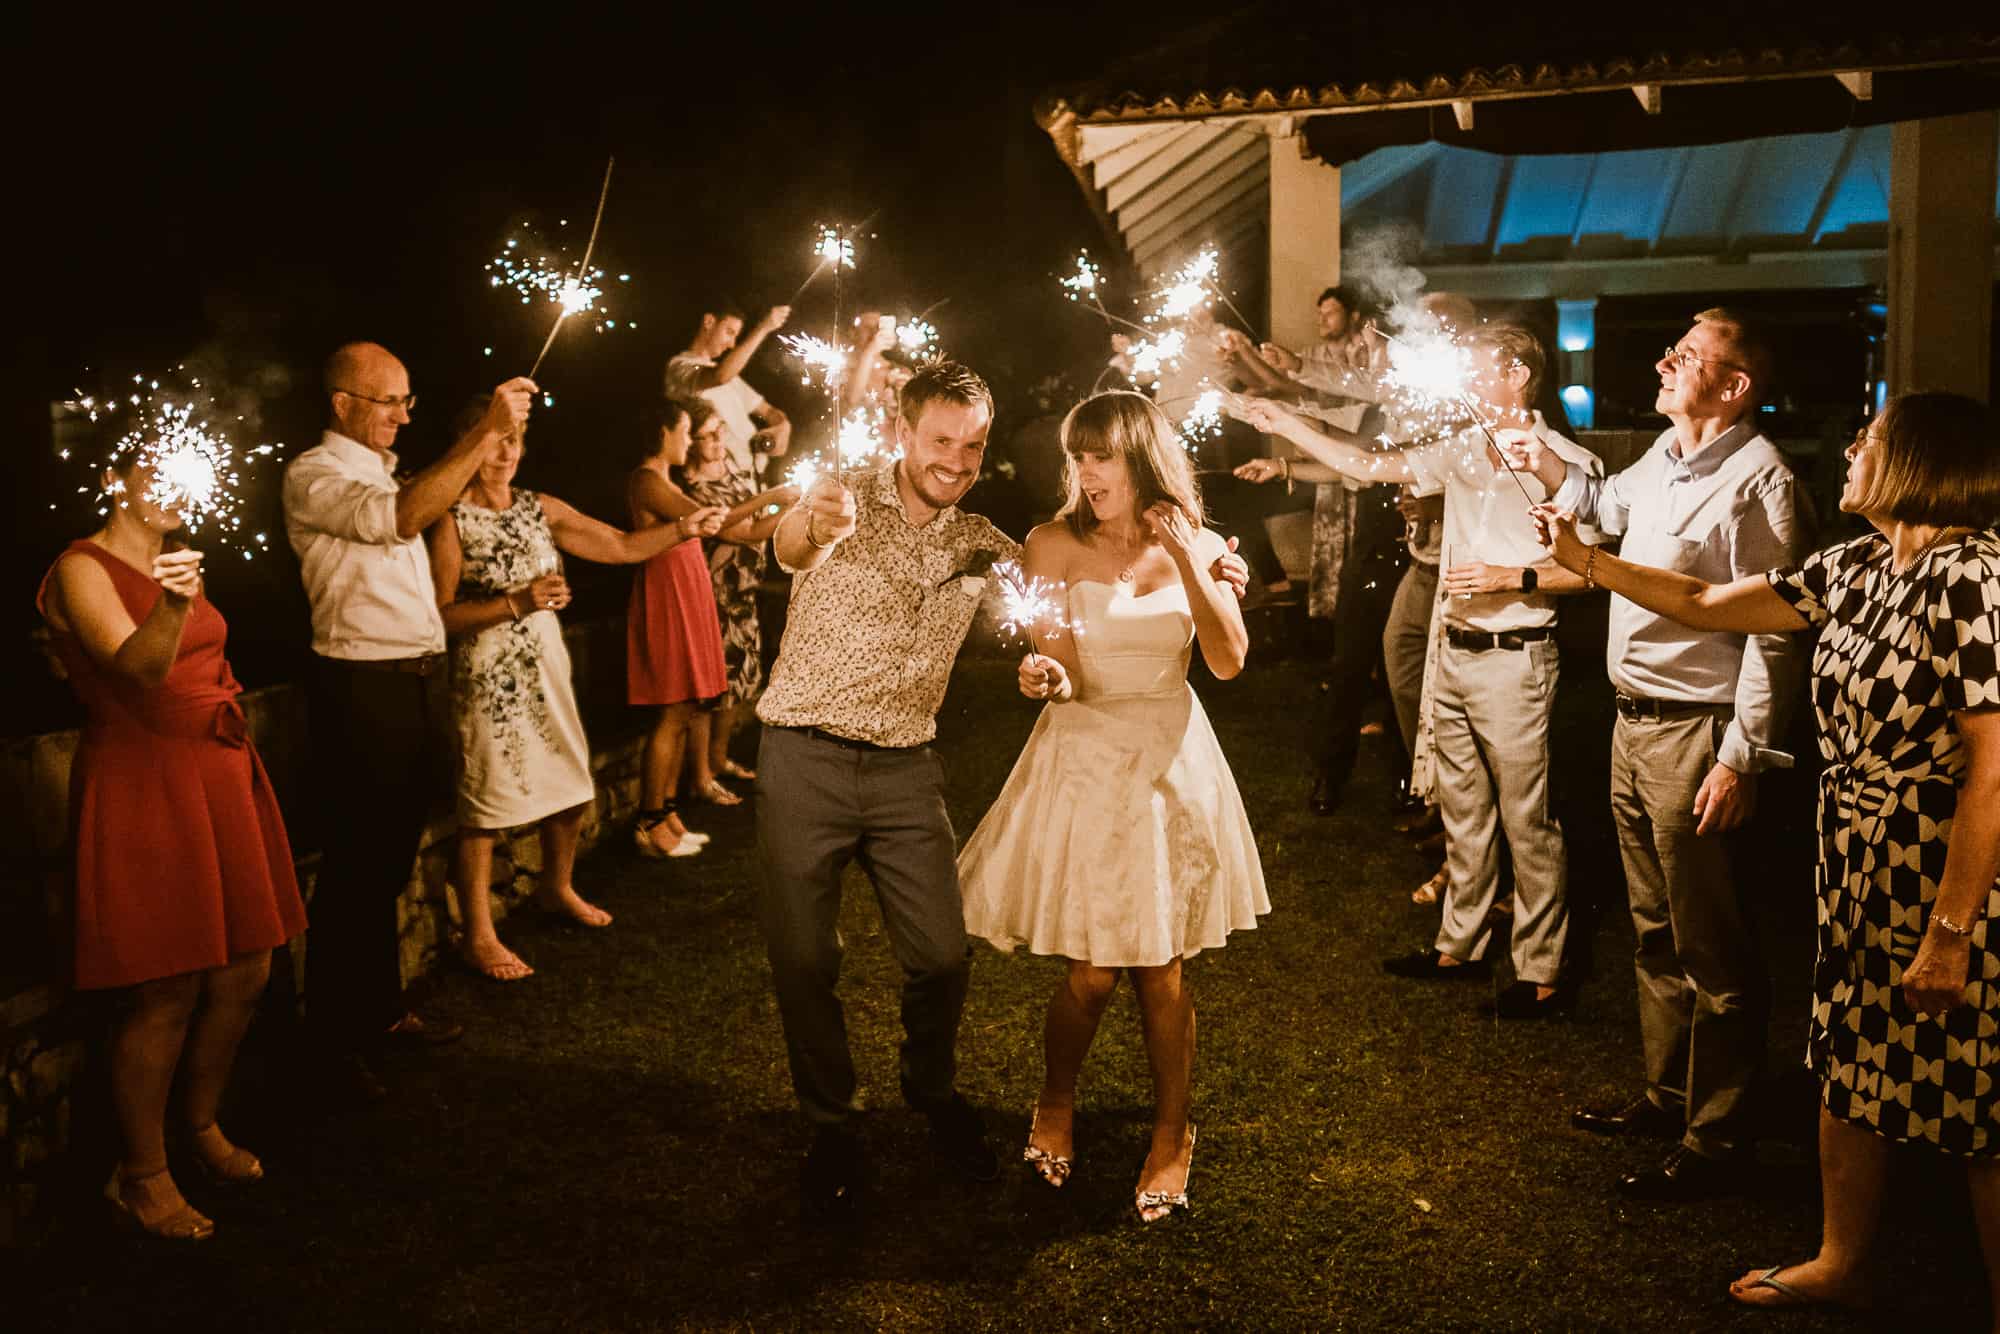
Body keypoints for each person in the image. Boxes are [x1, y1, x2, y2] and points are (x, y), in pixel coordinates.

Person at [1535, 391, 2000, 1317]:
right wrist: (1585, 558)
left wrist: (1951, 933)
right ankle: (1841, 1258)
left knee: (1974, 1094)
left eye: (1872, 438)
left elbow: (1993, 770)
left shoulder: (1974, 578)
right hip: (1858, 856)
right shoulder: (1855, 564)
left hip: (1947, 866)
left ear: (1924, 460)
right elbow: (1707, 602)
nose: (1852, 447)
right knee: (1850, 1056)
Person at [753, 360, 1249, 1218]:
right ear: (902, 433)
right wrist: (808, 524)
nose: (955, 460)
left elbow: (1055, 603)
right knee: (804, 960)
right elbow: (793, 545)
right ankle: (833, 1127)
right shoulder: (840, 502)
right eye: (940, 440)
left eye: (972, 446)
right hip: (805, 755)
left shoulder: (987, 542)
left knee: (944, 958)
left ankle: (932, 1093)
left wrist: (1210, 570)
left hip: (908, 764)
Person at [1509, 308, 1812, 1201]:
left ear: (1735, 385)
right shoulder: (1666, 457)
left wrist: (1742, 756)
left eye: (1687, 356)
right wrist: (1544, 461)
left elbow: (1777, 630)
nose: (1664, 364)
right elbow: (1607, 506)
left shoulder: (1762, 482)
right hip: (1632, 722)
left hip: (1698, 731)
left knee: (1712, 944)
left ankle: (1718, 1136)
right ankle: (1668, 1095)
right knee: (1652, 929)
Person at [958, 391, 1266, 1222]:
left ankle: (1172, 1132)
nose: (1087, 473)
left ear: (1141, 459)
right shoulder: (1050, 543)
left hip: (1170, 759)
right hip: (1086, 757)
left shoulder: (1201, 544)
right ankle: (1055, 1101)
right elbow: (1063, 669)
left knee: (1161, 968)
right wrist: (1045, 675)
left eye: (1102, 456)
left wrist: (1192, 558)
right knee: (1093, 971)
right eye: (1079, 457)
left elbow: (1229, 662)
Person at [1235, 323, 1602, 1018]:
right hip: (1453, 652)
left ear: (1518, 376)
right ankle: (1459, 945)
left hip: (1516, 659)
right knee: (1463, 810)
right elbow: (1367, 465)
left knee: (1528, 820)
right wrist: (1285, 423)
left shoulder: (1567, 463)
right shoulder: (1462, 448)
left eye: (1476, 366)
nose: (1461, 377)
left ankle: (1542, 969)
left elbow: (1592, 568)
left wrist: (1512, 575)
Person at [39, 449, 306, 1240]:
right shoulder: (80, 568)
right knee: (167, 984)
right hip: (144, 777)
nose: (178, 490)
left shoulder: (175, 556)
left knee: (248, 965)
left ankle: (200, 1124)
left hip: (217, 769)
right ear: (112, 479)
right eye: (159, 473)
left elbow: (206, 656)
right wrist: (172, 602)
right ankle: (141, 1173)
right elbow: (139, 671)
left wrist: (183, 602)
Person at [283, 342, 534, 1095]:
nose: (402, 415)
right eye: (389, 400)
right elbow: (400, 520)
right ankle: (331, 1043)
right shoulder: (314, 474)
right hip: (360, 687)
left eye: (407, 400)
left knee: (389, 862)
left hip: (413, 682)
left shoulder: (389, 473)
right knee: (356, 869)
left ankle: (379, 1013)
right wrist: (486, 432)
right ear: (342, 403)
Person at [427, 397, 728, 980]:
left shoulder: (538, 507)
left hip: (545, 667)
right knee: (485, 802)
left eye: (515, 438)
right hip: (487, 678)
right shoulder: (450, 519)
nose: (507, 451)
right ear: (469, 445)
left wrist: (682, 528)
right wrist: (516, 602)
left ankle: (556, 887)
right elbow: (439, 617)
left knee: (571, 785)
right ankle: (480, 936)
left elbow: (619, 545)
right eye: (495, 439)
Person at [626, 398, 733, 856]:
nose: (689, 441)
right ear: (663, 432)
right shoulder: (647, 481)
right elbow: (708, 521)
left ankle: (668, 814)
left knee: (687, 706)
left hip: (685, 590)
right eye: (685, 431)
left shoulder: (663, 479)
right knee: (671, 710)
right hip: (667, 595)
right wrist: (771, 500)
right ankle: (650, 820)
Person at [682, 406, 799, 788]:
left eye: (720, 429)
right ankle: (701, 775)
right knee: (712, 690)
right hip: (714, 596)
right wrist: (778, 500)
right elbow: (740, 530)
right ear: (691, 443)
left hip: (744, 592)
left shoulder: (731, 467)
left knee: (740, 681)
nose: (720, 439)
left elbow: (756, 521)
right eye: (709, 434)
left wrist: (788, 507)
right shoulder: (691, 489)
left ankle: (719, 758)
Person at [664, 301, 792, 484]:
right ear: (709, 322)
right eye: (729, 332)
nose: (731, 344)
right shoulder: (679, 367)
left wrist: (783, 427)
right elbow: (720, 376)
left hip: (753, 482)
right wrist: (763, 328)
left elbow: (769, 412)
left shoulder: (730, 377)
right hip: (717, 485)